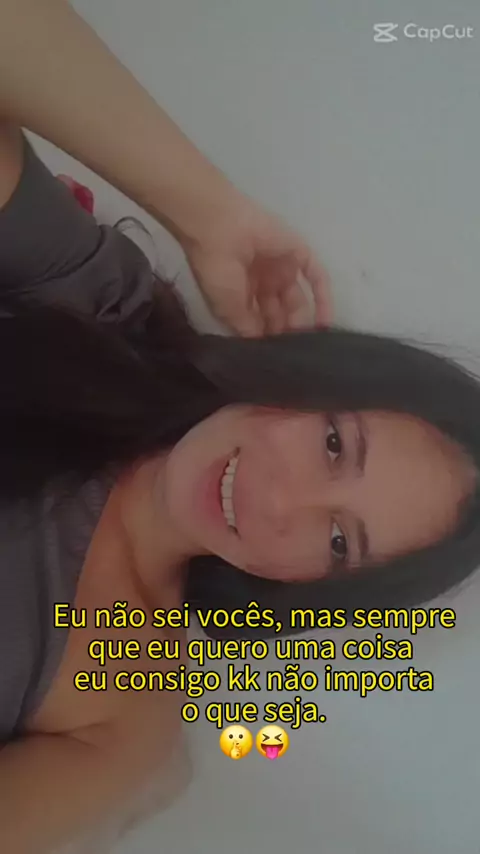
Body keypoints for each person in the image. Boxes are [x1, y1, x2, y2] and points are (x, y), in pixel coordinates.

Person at [1, 2, 480, 852]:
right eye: (333, 444)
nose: (280, 501)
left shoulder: (124, 712)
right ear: (311, 379)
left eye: (339, 541)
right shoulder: (110, 315)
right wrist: (212, 215)